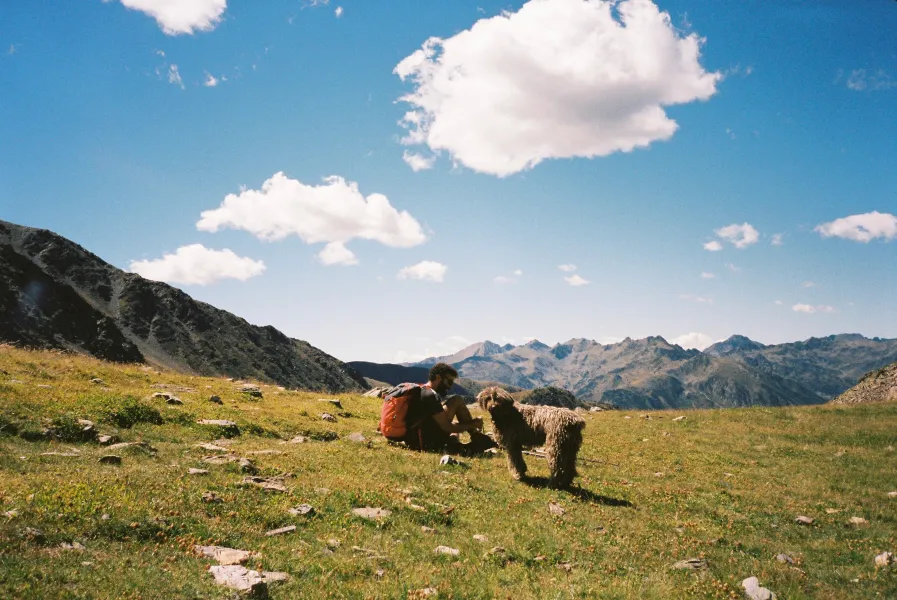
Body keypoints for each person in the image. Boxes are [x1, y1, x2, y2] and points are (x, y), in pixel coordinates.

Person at [404, 362, 496, 454]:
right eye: (449, 381)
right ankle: (475, 439)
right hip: (425, 444)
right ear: (438, 377)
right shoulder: (430, 396)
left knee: (455, 425)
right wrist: (473, 424)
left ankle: (472, 439)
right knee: (457, 400)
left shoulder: (422, 390)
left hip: (416, 439)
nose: (449, 386)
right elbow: (447, 427)